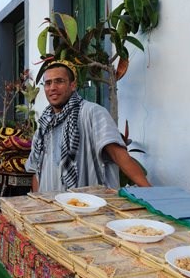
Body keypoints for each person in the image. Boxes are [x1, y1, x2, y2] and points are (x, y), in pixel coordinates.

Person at [25, 59, 151, 192]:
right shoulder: (44, 125)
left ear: (73, 85)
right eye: (48, 83)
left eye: (59, 81)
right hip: (50, 203)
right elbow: (36, 171)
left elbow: (118, 155)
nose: (52, 88)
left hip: (89, 202)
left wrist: (150, 192)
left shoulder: (92, 113)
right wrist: (37, 200)